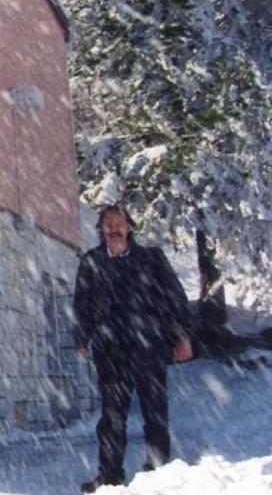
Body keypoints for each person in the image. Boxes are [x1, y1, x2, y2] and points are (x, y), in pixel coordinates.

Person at [74, 204, 193, 492]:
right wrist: (82, 337)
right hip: (110, 350)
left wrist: (183, 336)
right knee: (112, 416)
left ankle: (158, 470)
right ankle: (110, 475)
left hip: (148, 346)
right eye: (108, 224)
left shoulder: (151, 259)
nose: (114, 228)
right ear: (101, 230)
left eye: (119, 223)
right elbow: (82, 302)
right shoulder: (91, 261)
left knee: (155, 412)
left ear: (130, 227)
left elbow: (174, 297)